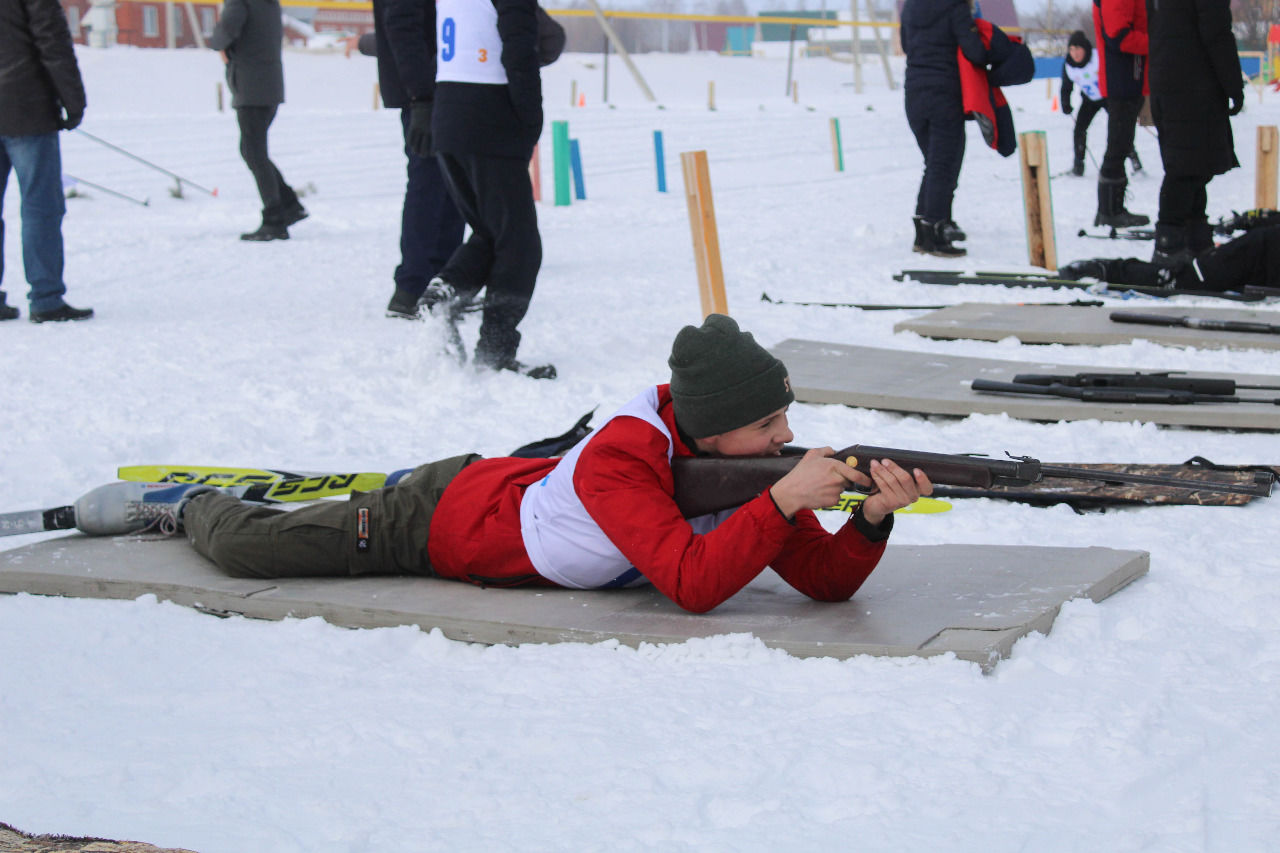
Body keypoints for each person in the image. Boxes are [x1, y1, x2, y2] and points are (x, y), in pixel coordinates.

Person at [86, 315, 933, 614]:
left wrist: (867, 521)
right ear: (710, 432)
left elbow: (821, 580)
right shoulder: (623, 457)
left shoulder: (742, 471)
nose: (787, 434)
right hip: (439, 519)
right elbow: (692, 581)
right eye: (770, 421)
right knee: (256, 551)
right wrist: (783, 498)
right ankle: (192, 502)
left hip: (503, 481)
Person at [420, 0, 551, 377]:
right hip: (489, 116)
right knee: (520, 245)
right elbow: (519, 50)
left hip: (449, 115)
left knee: (492, 233)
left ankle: (444, 293)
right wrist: (529, 120)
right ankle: (495, 352)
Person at [360, 8, 466, 320]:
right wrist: (421, 97)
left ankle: (442, 282)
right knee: (429, 181)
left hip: (447, 85)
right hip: (427, 91)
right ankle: (412, 287)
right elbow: (402, 24)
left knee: (453, 184)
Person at [0, 0, 93, 323]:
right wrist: (74, 100)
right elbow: (51, 39)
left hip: (22, 106)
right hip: (26, 107)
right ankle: (46, 298)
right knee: (40, 205)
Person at [1146, 0, 1243, 268]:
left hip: (1169, 79)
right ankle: (1170, 245)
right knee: (1186, 168)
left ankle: (1195, 238)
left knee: (1193, 166)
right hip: (1193, 84)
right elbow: (1217, 34)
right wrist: (1234, 85)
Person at [209, 0, 308, 242]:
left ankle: (275, 219)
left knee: (253, 152)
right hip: (268, 84)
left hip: (251, 85)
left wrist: (217, 41)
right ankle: (289, 205)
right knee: (253, 150)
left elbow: (225, 32)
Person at [901, 0, 988, 258]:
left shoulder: (910, 6)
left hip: (914, 94)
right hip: (944, 94)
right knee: (943, 165)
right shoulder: (955, 6)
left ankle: (924, 229)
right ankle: (935, 235)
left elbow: (906, 45)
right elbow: (974, 51)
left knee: (934, 164)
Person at [1059, 217, 1279, 293]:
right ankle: (1107, 269)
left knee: (1186, 278)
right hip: (1261, 252)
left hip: (1266, 256)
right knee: (1181, 281)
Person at [1092, 0, 1150, 228]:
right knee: (1118, 144)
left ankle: (1111, 209)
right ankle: (1110, 210)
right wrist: (1157, 42)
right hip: (1122, 79)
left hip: (1127, 78)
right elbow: (1118, 36)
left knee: (1122, 142)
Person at [1060, 30, 1142, 178]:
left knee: (1119, 129)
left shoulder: (1098, 57)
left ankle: (1134, 160)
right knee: (1079, 130)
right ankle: (1078, 166)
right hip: (1090, 100)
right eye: (1072, 49)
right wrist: (1065, 102)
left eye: (1078, 49)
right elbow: (1066, 86)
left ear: (1085, 49)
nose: (1075, 53)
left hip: (1109, 97)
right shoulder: (1068, 65)